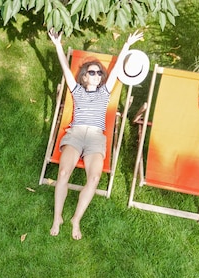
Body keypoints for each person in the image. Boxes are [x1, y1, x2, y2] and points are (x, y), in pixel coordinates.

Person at [48, 29, 144, 240]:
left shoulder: (104, 92)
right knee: (63, 173)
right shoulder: (77, 90)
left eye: (99, 73)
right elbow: (66, 69)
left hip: (95, 139)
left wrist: (127, 45)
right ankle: (58, 217)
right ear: (83, 77)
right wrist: (57, 45)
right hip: (76, 134)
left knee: (94, 178)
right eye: (92, 72)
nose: (96, 75)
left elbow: (118, 70)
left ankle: (76, 219)